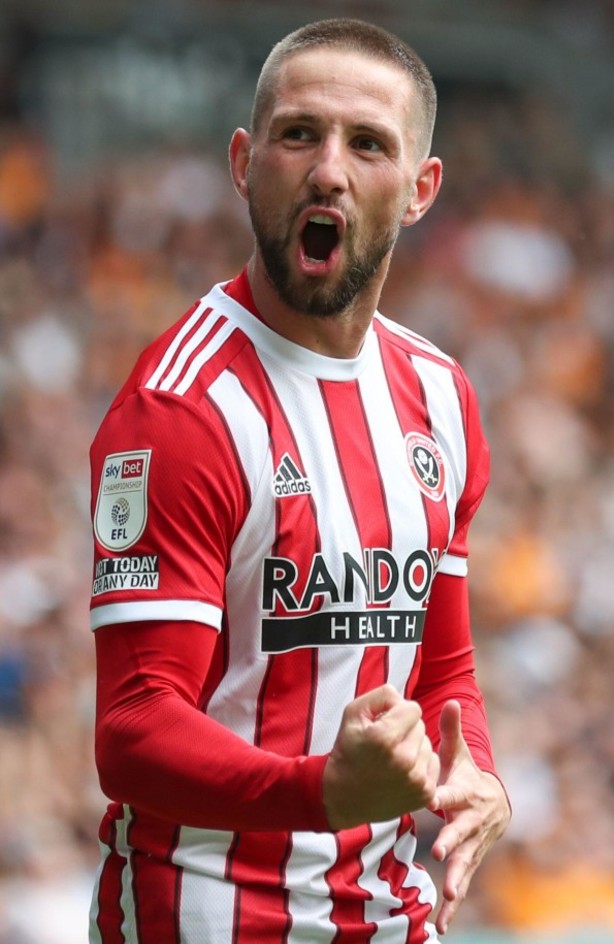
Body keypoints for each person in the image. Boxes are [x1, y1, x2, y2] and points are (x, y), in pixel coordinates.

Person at [87, 17, 510, 944]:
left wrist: (472, 767)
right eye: (298, 134)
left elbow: (442, 668)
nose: (329, 170)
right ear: (244, 161)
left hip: (395, 916)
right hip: (200, 912)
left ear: (419, 190)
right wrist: (316, 791)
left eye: (367, 144)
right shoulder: (180, 409)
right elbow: (133, 727)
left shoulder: (441, 396)